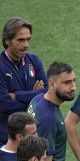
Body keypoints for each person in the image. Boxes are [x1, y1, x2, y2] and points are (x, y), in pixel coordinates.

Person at [27, 62, 76, 161]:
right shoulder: (49, 118)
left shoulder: (38, 99)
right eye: (67, 82)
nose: (73, 87)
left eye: (74, 81)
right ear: (52, 84)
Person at [0, 17, 46, 145]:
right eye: (20, 40)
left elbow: (47, 92)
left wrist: (16, 95)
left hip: (32, 136)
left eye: (28, 39)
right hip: (7, 138)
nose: (26, 45)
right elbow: (4, 104)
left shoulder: (34, 61)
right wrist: (34, 96)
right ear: (7, 40)